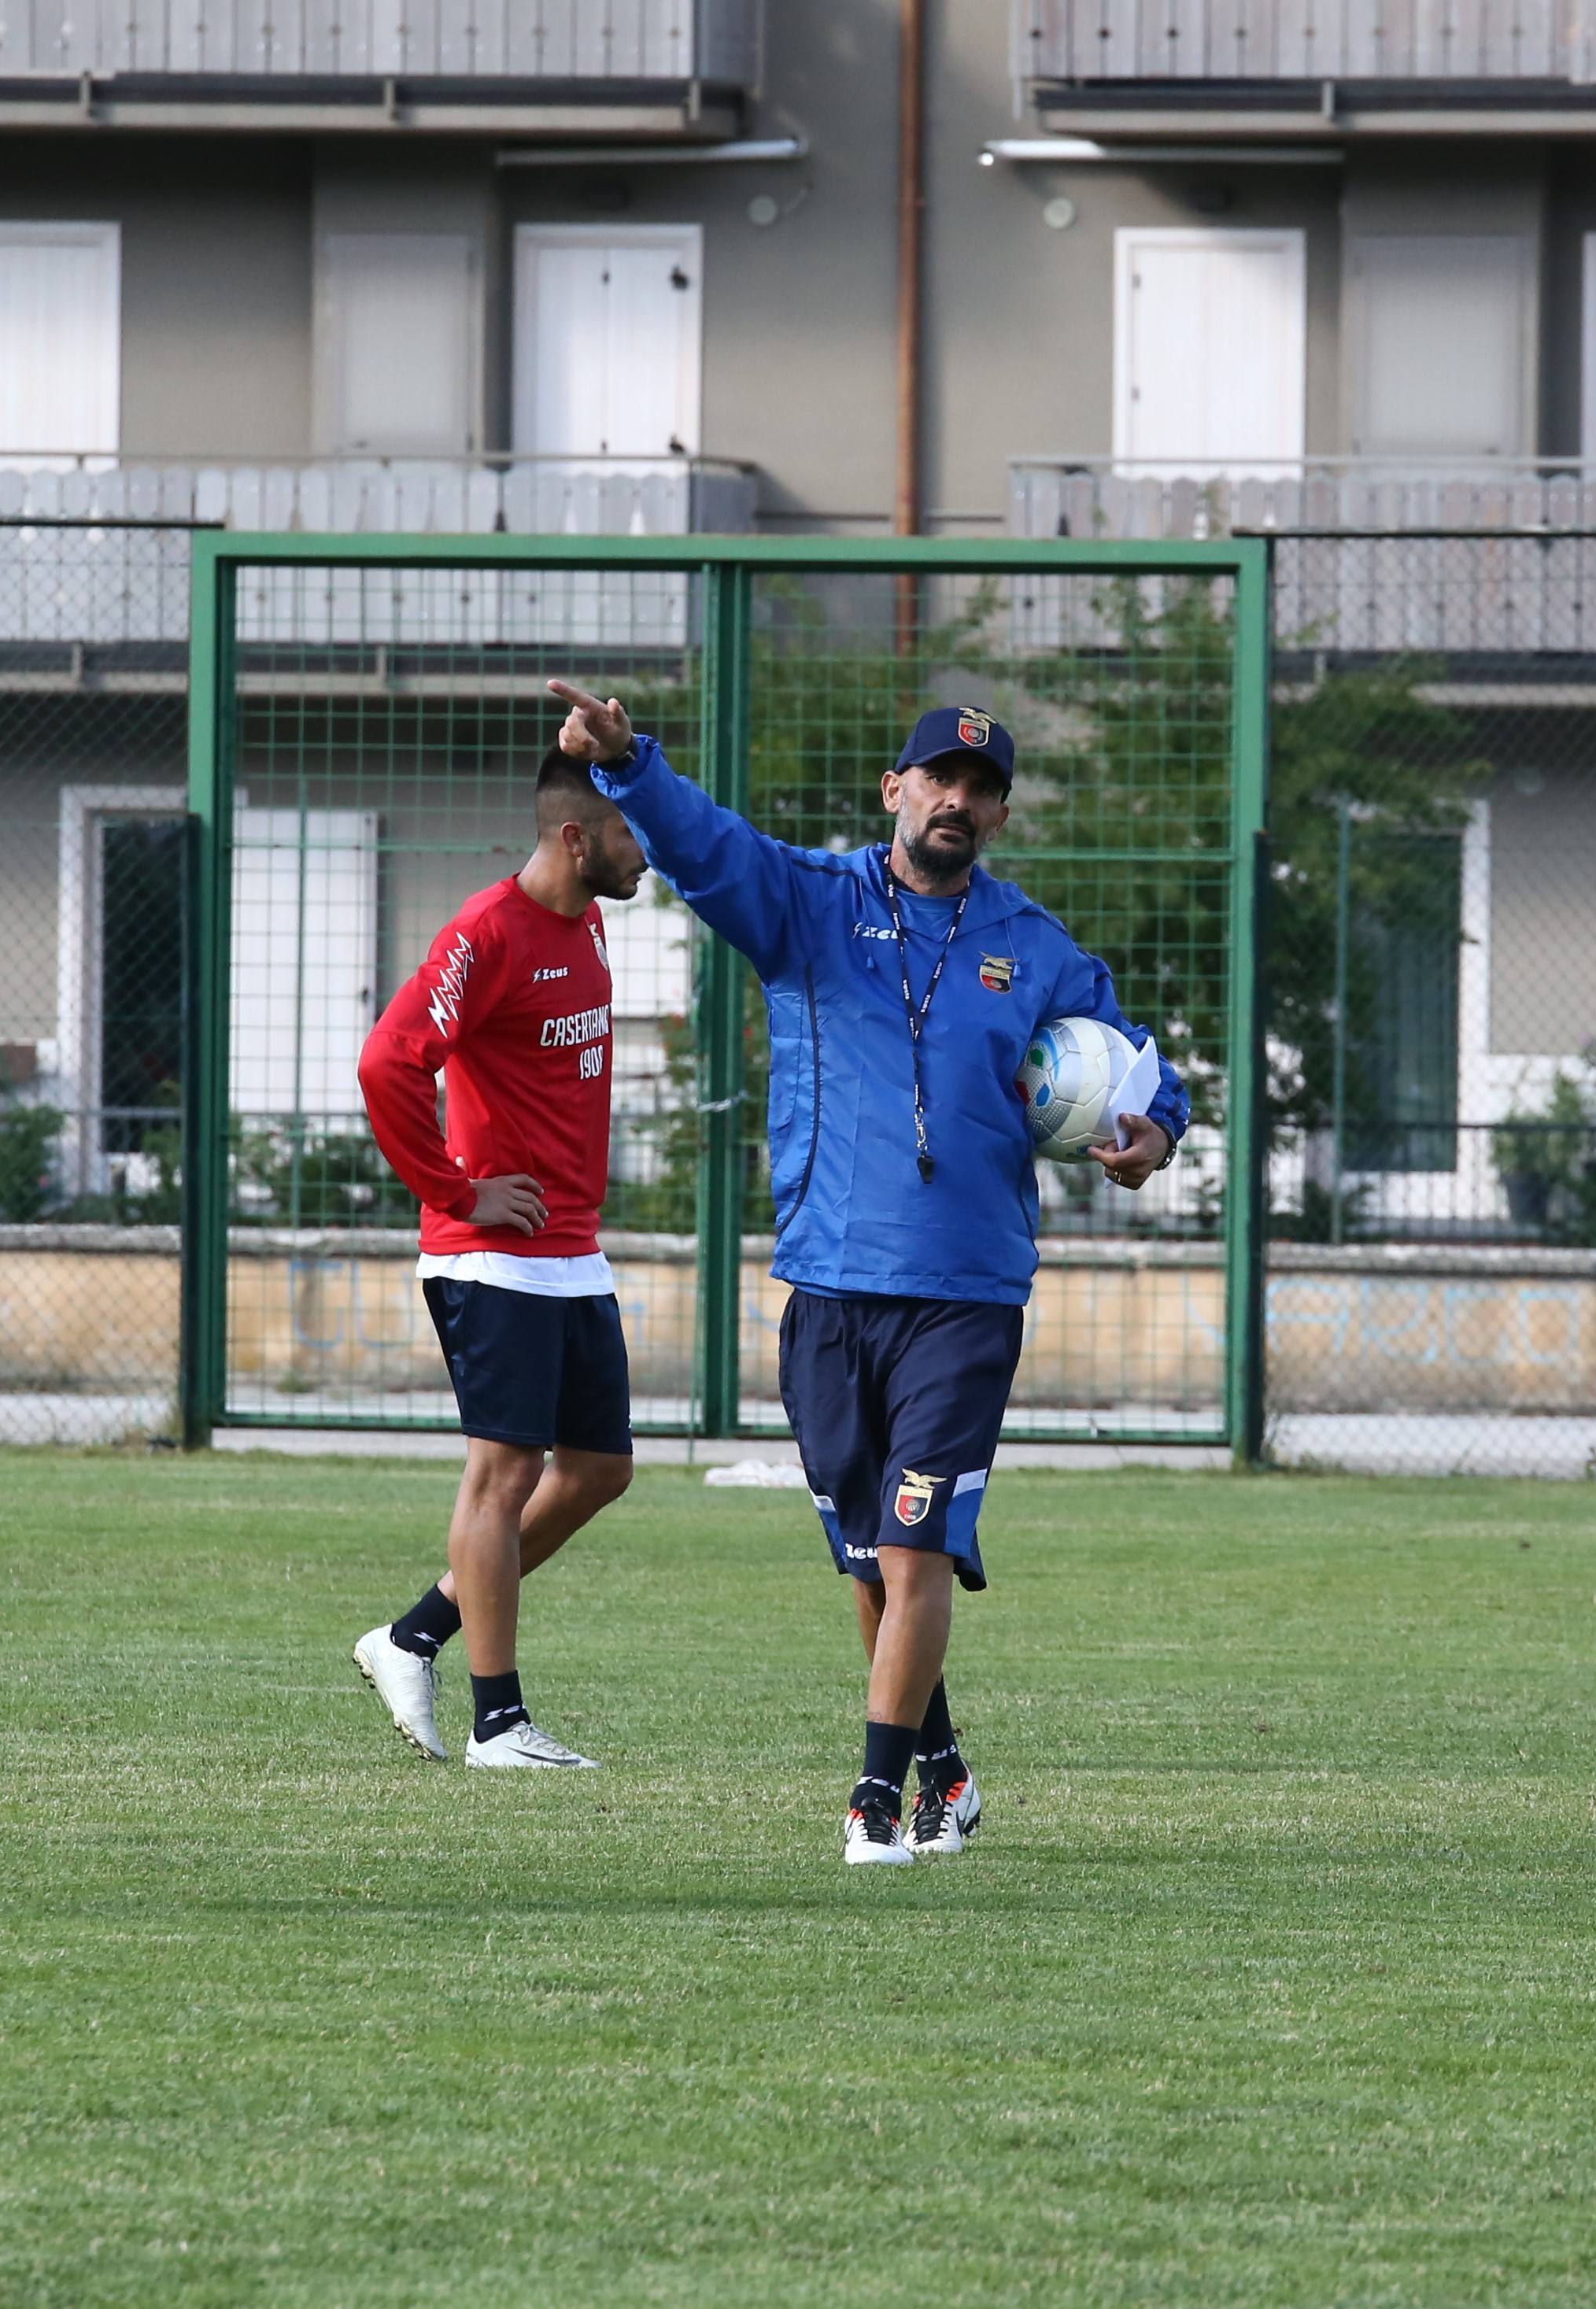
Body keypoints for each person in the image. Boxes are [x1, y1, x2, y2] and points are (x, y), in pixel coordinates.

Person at [547, 682, 1187, 1866]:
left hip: (968, 1292)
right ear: (895, 790)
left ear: (997, 817)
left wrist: (1152, 1133)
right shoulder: (810, 908)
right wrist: (630, 764)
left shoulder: (1031, 946)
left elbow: (1138, 1069)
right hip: (830, 1285)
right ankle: (941, 1765)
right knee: (864, 1552)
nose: (957, 799)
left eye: (980, 789)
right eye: (938, 778)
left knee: (914, 1544)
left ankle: (874, 1799)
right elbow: (705, 842)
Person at [349, 752, 650, 1768]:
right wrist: (455, 1189)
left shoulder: (588, 921)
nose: (642, 850)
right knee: (505, 1472)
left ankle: (412, 1634)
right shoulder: (484, 933)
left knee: (601, 1469)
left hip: (570, 1250)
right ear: (576, 840)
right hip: (491, 1257)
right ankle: (497, 1722)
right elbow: (388, 1060)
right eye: (625, 833)